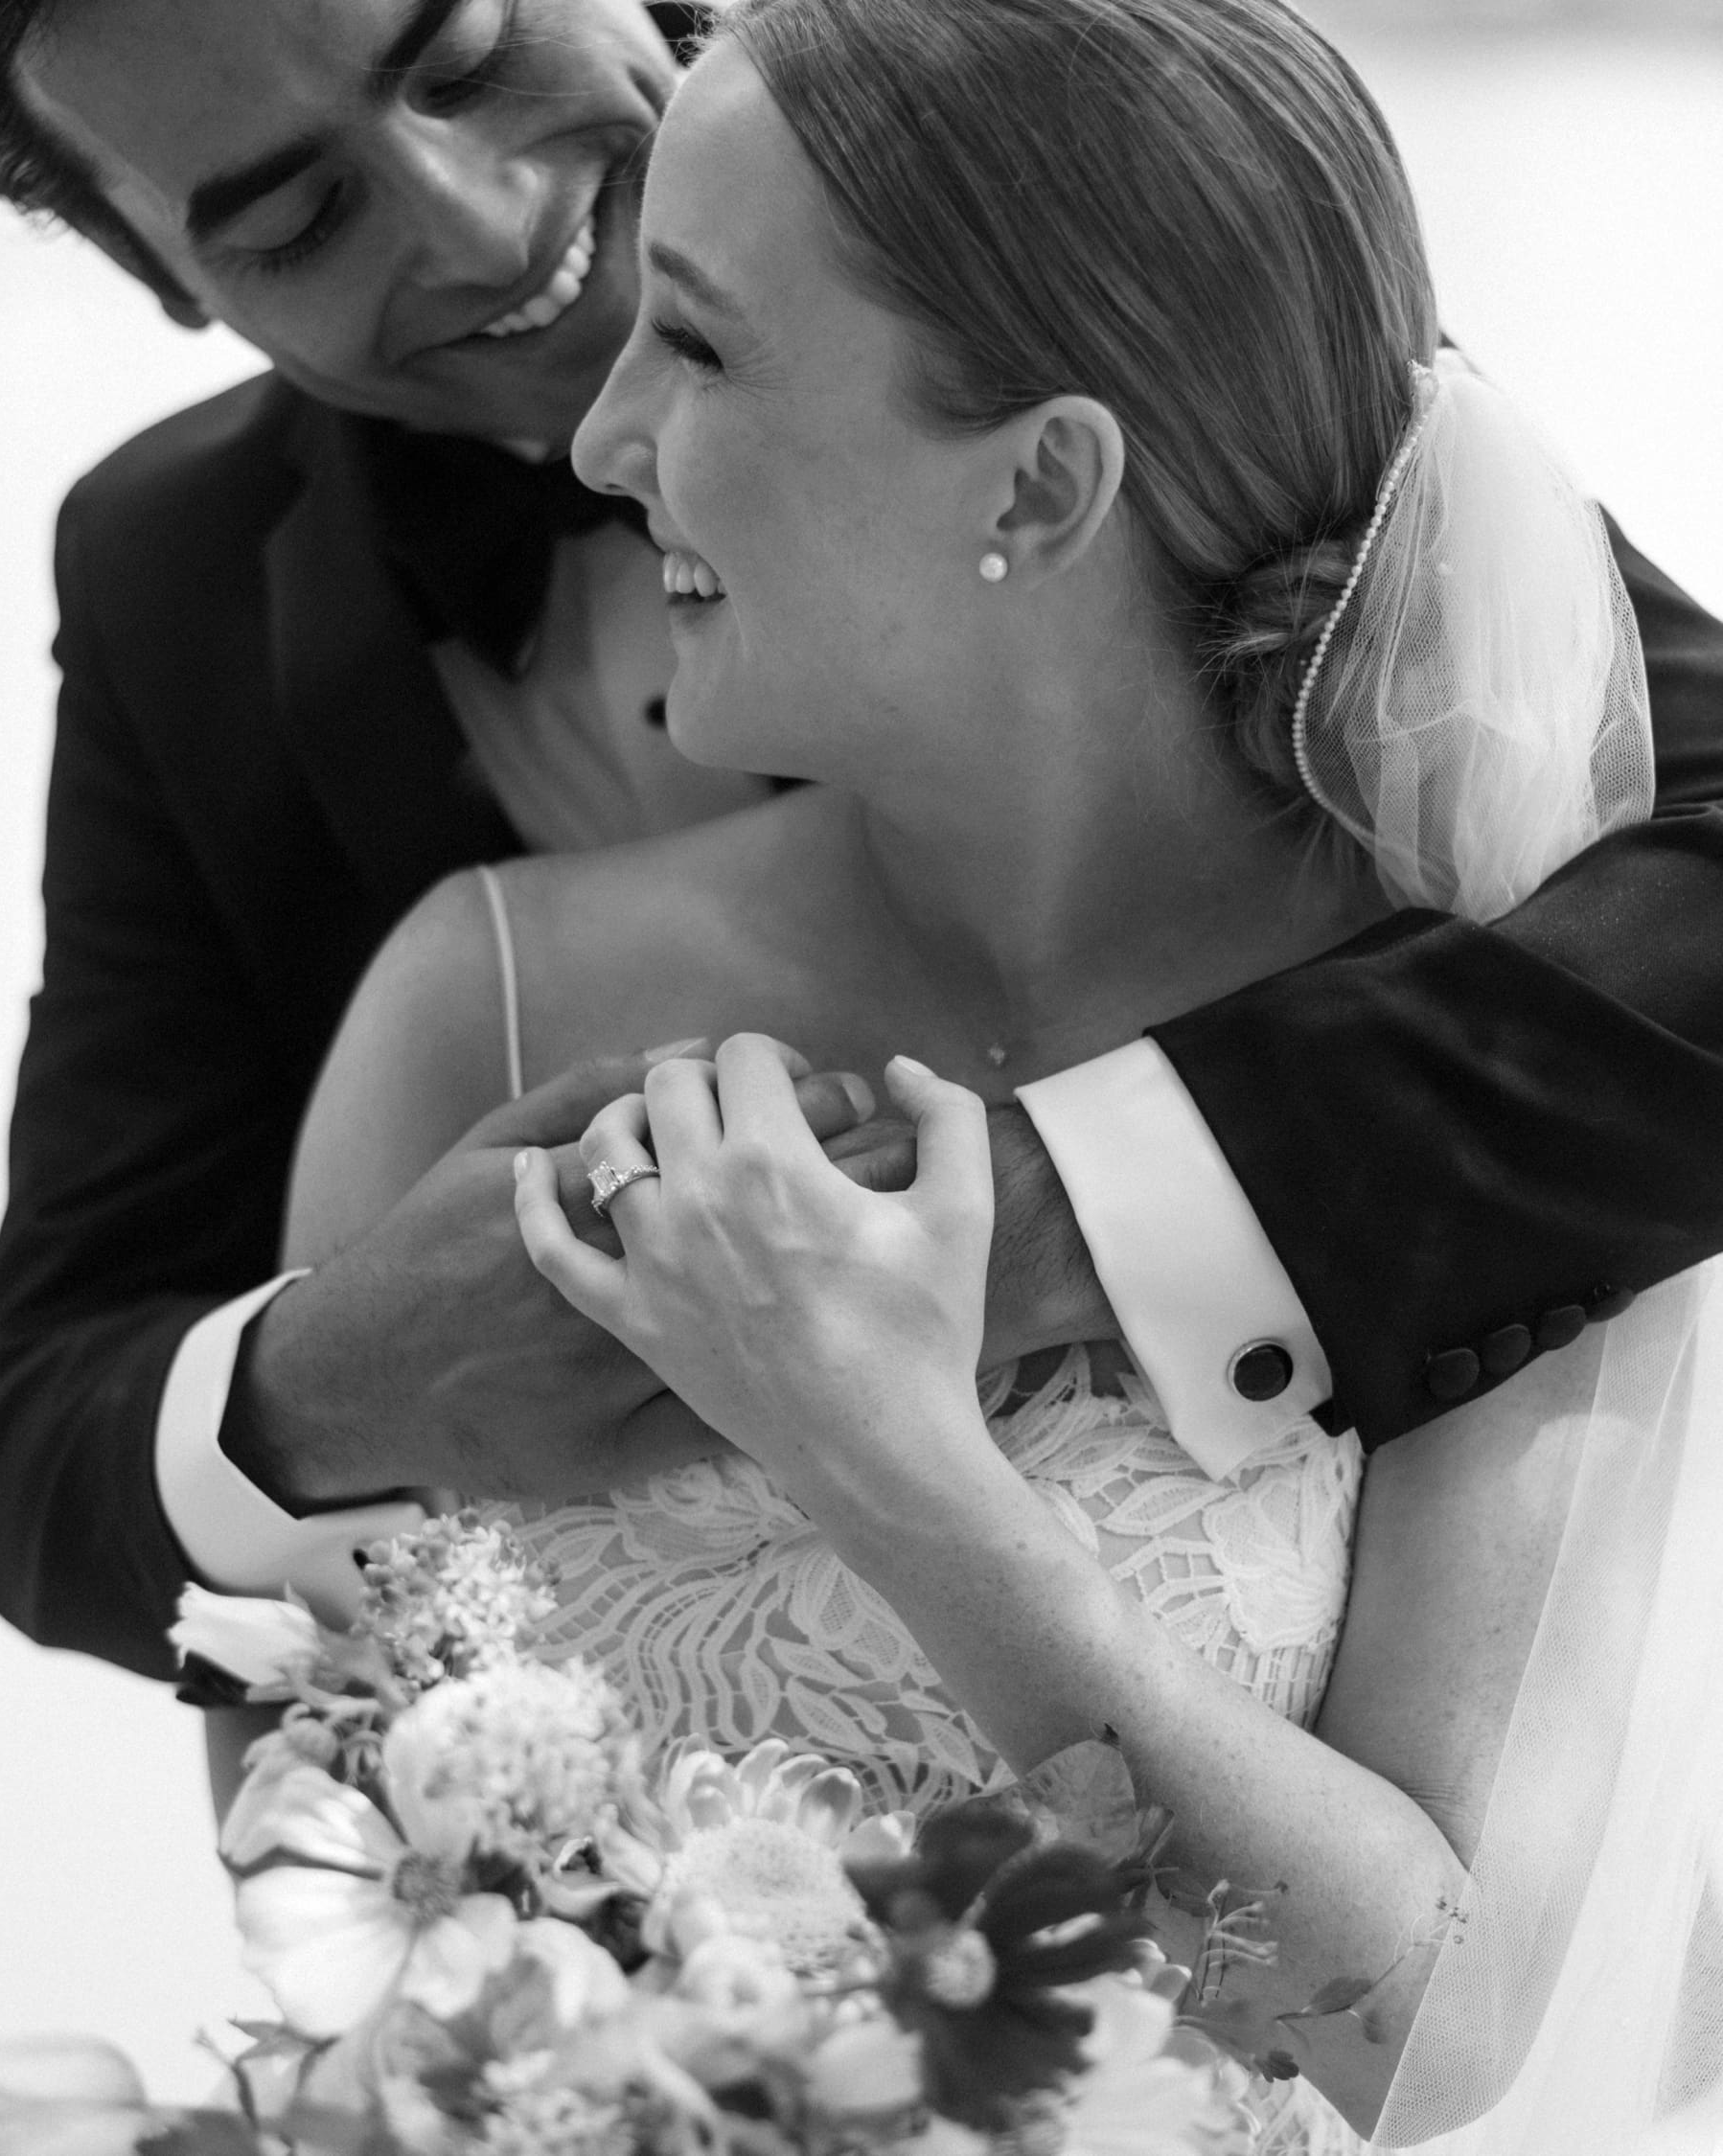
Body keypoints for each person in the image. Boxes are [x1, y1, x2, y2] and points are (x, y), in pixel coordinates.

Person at [282, 0, 1723, 2141]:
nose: (596, 442)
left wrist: (892, 1462)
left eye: (697, 343)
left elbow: (1412, 2042)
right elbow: (336, 1964)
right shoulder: (479, 1010)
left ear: (1039, 481)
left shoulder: (1511, 1052)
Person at [4, 0, 1723, 1692]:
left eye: (468, 57)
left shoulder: (1086, 204)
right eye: (299, 220)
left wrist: (1051, 1216)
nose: (481, 217)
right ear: (178, 288)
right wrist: (328, 1382)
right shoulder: (181, 585)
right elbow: (44, 1418)